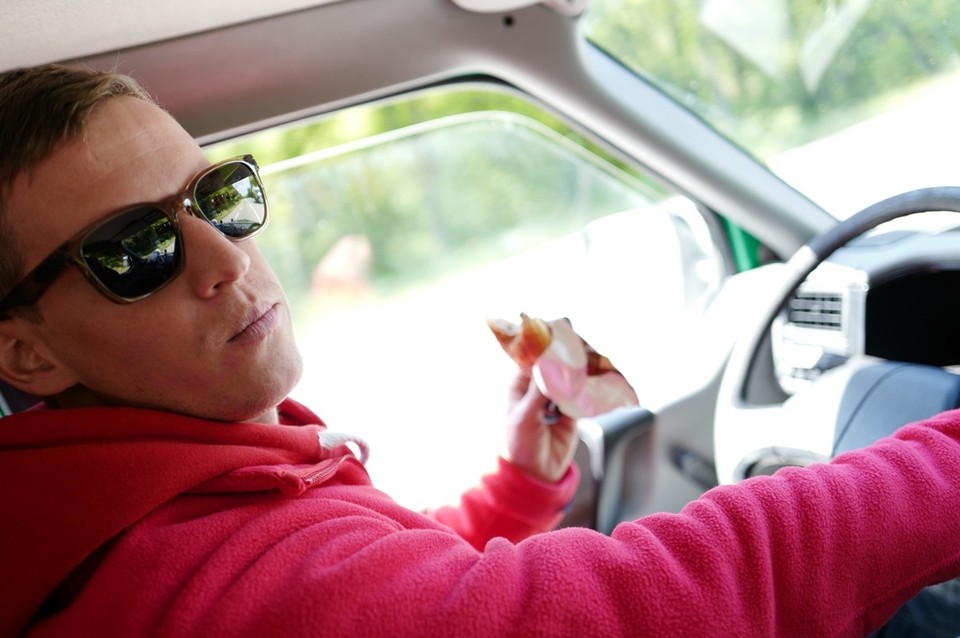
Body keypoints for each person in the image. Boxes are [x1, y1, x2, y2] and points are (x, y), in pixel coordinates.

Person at [0, 64, 959, 638]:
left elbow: (396, 594)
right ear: (28, 355)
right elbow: (639, 608)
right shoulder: (200, 579)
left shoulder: (142, 511)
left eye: (218, 196)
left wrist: (511, 493)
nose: (223, 258)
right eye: (137, 249)